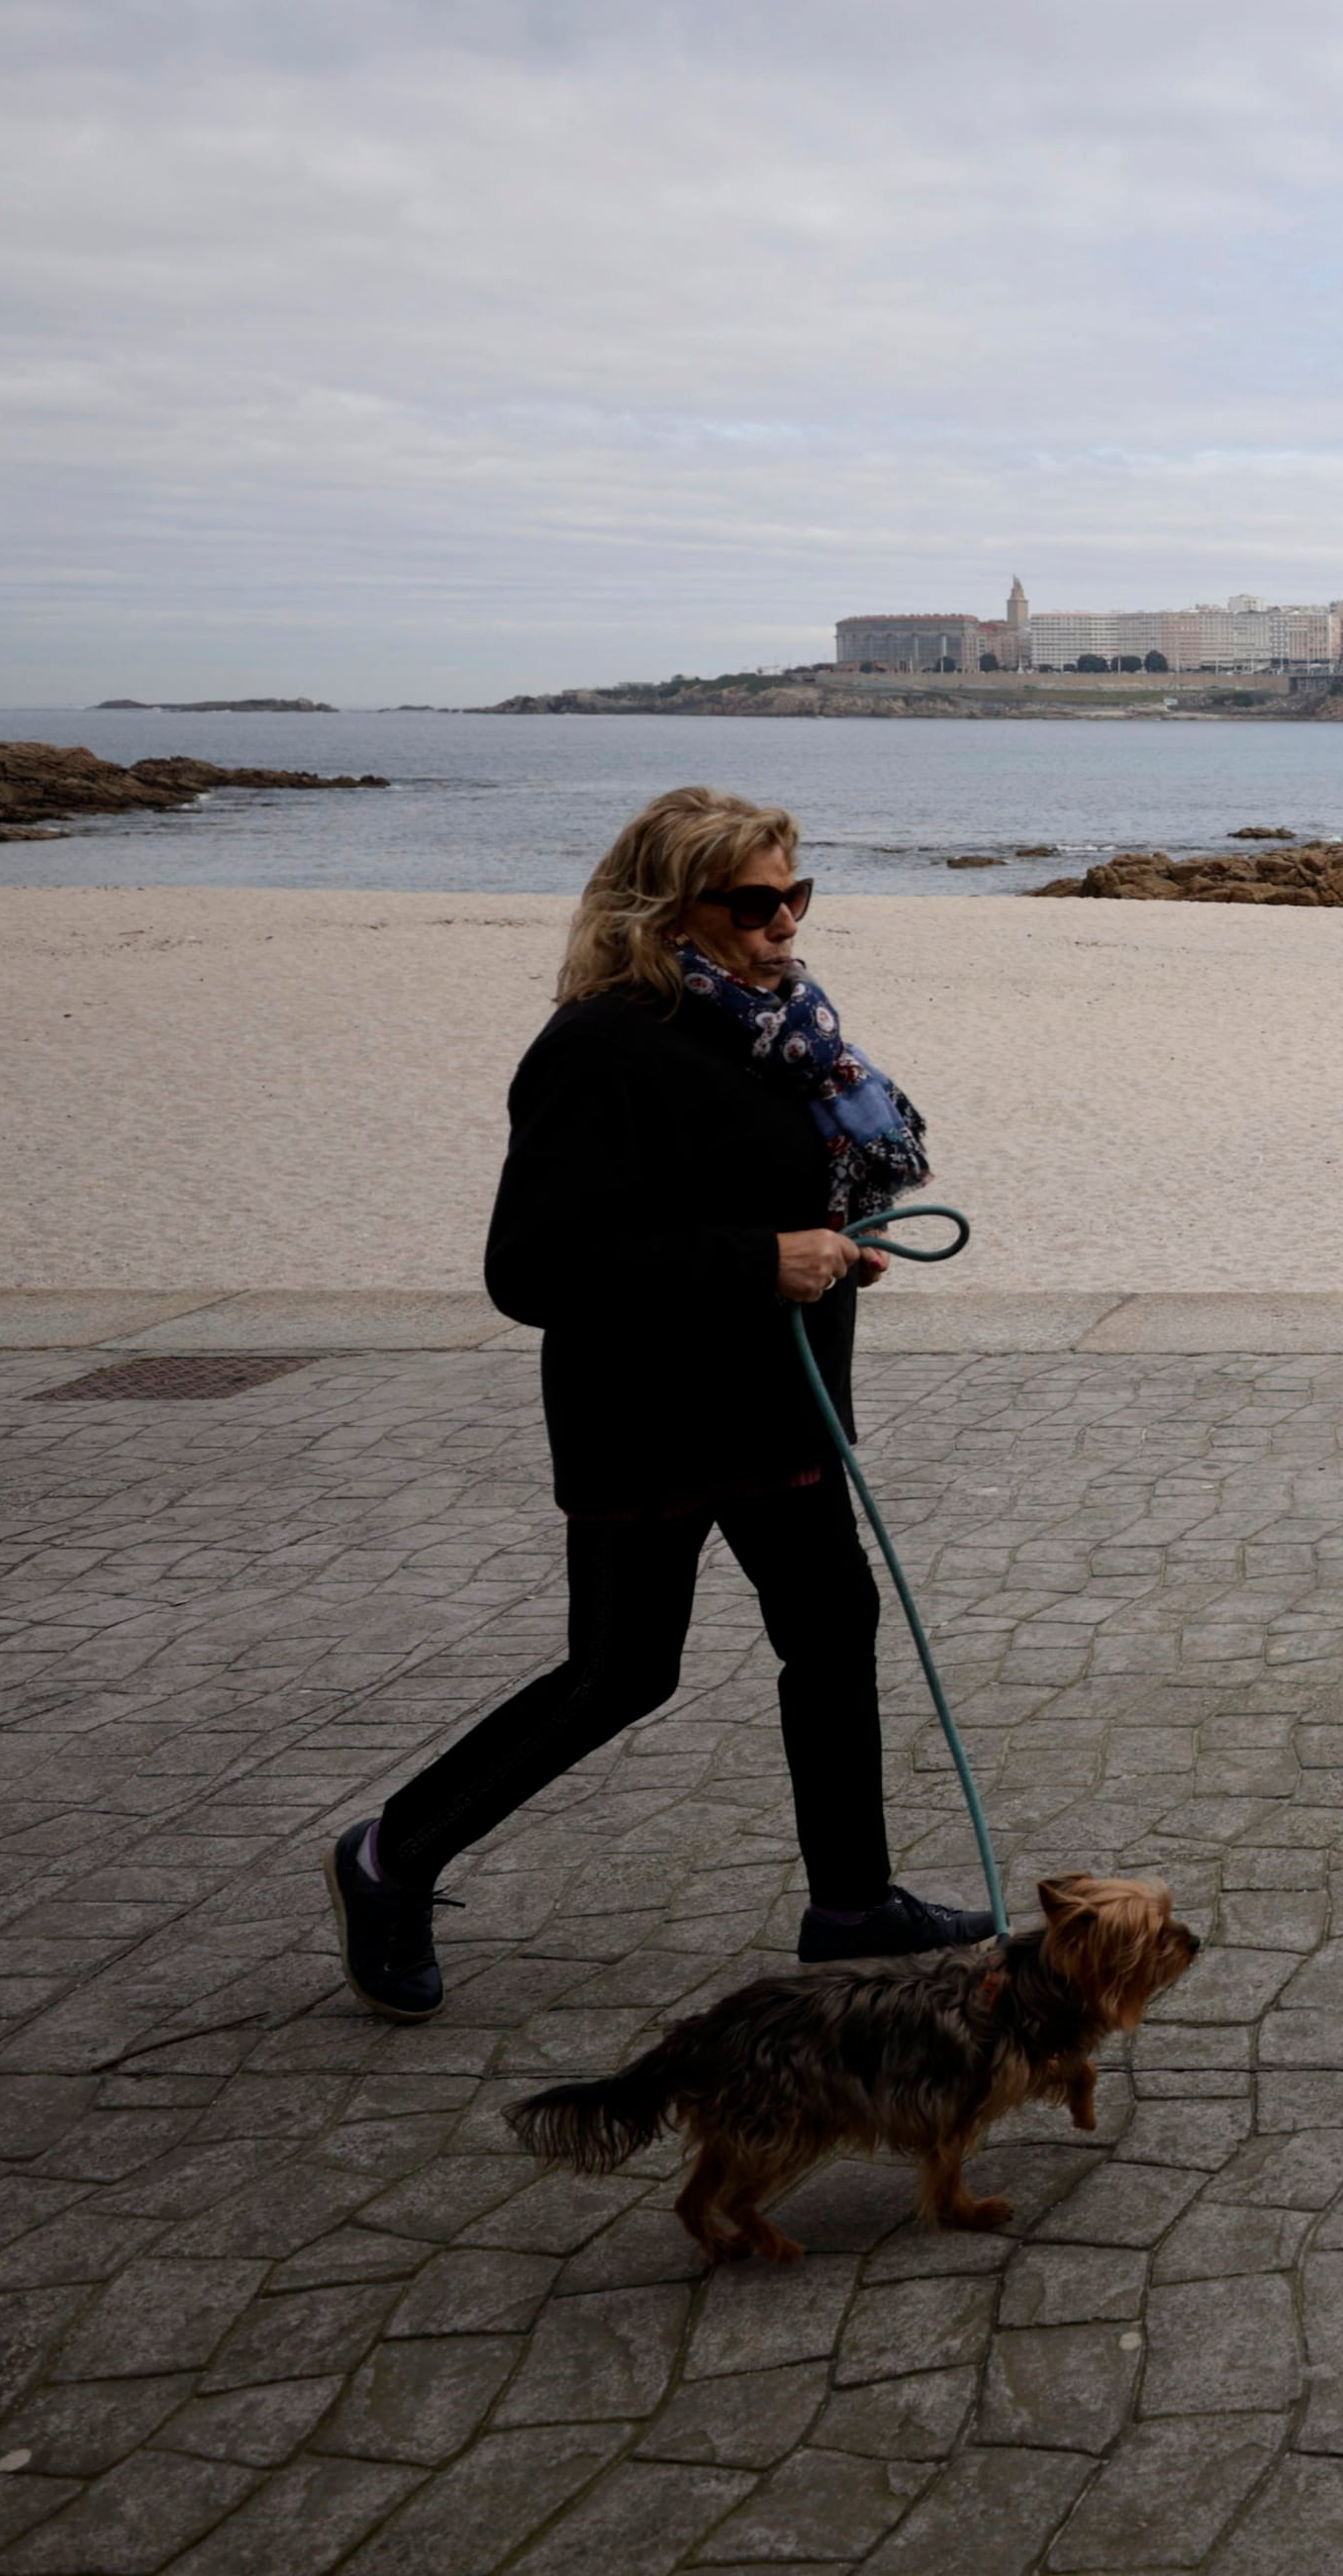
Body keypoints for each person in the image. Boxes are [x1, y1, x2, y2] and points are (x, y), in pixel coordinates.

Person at [330, 787, 993, 2018]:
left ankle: (850, 1904)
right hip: (650, 1419)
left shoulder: (781, 1028)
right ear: (666, 909)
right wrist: (760, 1260)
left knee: (833, 1632)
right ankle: (389, 1855)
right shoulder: (597, 1047)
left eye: (796, 893)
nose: (785, 922)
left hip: (778, 1404)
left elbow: (756, 1189)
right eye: (753, 901)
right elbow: (530, 1269)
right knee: (622, 1671)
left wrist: (833, 1244)